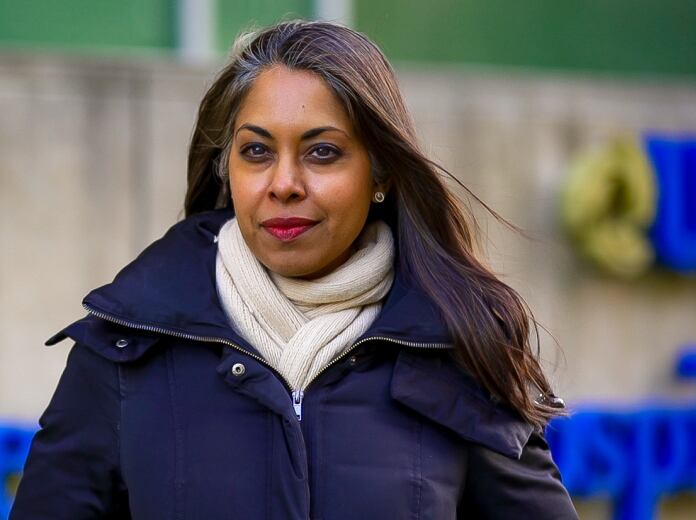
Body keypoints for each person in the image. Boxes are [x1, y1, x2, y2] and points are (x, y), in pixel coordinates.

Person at [10, 20, 578, 519]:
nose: (283, 183)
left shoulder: (460, 354)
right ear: (226, 169)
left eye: (322, 152)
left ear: (381, 174)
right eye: (256, 151)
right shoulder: (123, 350)